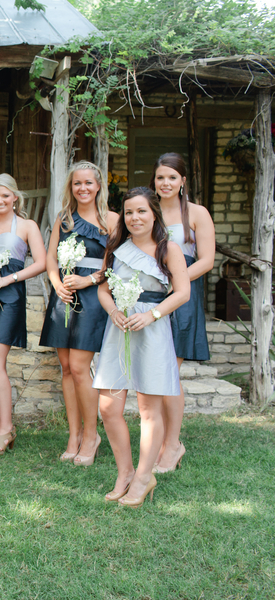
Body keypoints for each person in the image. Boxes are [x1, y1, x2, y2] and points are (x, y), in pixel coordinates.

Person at [94, 187, 189, 507]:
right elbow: (104, 291)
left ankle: (145, 477)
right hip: (117, 330)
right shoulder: (116, 248)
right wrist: (114, 312)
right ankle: (125, 472)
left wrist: (152, 315)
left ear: (154, 215)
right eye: (129, 212)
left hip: (152, 330)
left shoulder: (168, 249)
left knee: (149, 410)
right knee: (108, 407)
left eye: (141, 212)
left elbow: (183, 292)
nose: (135, 218)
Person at [39, 161, 119, 466]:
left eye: (88, 183)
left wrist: (89, 280)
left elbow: (115, 266)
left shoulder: (111, 220)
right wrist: (57, 284)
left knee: (80, 366)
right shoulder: (64, 219)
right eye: (77, 184)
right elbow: (50, 259)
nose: (82, 188)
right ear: (70, 188)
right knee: (66, 368)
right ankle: (73, 435)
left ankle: (91, 435)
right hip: (64, 295)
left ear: (98, 185)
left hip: (93, 294)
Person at [150, 153, 215, 474]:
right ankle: (162, 442)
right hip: (150, 295)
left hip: (183, 294)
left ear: (182, 181)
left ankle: (172, 444)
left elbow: (206, 260)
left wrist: (176, 278)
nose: (165, 183)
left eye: (172, 178)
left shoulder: (197, 213)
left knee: (169, 372)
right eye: (161, 177)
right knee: (157, 371)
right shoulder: (149, 211)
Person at [0, 174, 46, 454]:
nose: (0, 201)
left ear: (15, 197)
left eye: (5, 195)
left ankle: (6, 428)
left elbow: (40, 263)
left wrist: (8, 279)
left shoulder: (27, 226)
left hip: (10, 297)